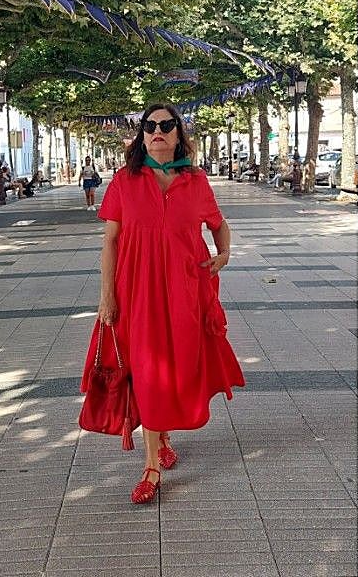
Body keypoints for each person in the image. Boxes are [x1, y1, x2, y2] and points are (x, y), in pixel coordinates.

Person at [83, 103, 244, 504]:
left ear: (178, 135)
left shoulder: (196, 182)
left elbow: (219, 223)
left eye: (166, 125)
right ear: (142, 135)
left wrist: (224, 254)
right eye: (150, 125)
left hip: (186, 292)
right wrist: (106, 296)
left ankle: (164, 436)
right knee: (147, 370)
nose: (158, 131)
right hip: (136, 292)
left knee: (176, 366)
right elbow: (111, 241)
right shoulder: (124, 180)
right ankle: (152, 466)